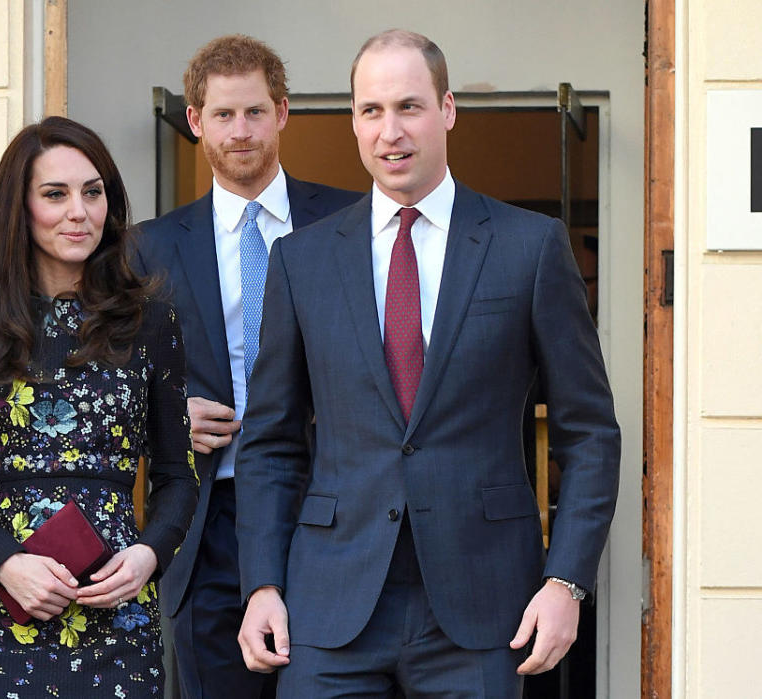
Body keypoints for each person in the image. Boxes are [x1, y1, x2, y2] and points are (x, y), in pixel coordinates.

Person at [235, 29, 621, 698]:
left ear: (446, 109)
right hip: (329, 607)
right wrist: (262, 582)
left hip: (483, 606)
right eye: (371, 111)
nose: (390, 131)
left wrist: (565, 583)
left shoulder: (528, 247)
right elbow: (269, 441)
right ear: (354, 120)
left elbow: (589, 433)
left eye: (408, 106)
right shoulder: (301, 261)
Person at [0, 116, 198, 696]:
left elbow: (179, 476)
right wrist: (5, 562)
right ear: (19, 209)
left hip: (117, 604)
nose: (79, 211)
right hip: (8, 608)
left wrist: (150, 555)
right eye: (55, 194)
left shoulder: (151, 322)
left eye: (93, 192)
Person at [132, 34, 361, 699]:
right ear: (195, 121)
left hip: (337, 513)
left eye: (255, 112)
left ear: (283, 112)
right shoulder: (147, 249)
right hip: (210, 523)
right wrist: (163, 421)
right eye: (223, 115)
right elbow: (106, 389)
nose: (241, 131)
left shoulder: (352, 221)